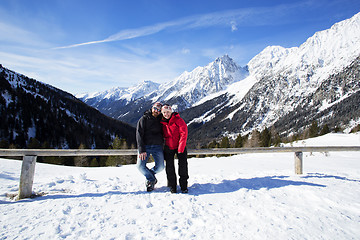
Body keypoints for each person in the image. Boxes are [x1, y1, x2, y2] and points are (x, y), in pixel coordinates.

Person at [136, 102, 165, 192]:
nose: (156, 111)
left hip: (157, 146)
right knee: (140, 166)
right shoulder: (144, 119)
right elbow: (139, 134)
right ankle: (152, 180)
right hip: (145, 146)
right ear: (152, 108)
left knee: (160, 167)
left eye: (159, 110)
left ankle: (150, 177)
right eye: (155, 109)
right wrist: (141, 149)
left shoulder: (162, 120)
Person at [160, 104, 189, 193]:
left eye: (168, 112)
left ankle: (183, 186)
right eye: (164, 112)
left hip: (180, 146)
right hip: (168, 147)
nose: (166, 114)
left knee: (183, 166)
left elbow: (184, 133)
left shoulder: (178, 120)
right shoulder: (161, 122)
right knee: (169, 167)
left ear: (171, 112)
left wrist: (181, 148)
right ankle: (173, 186)